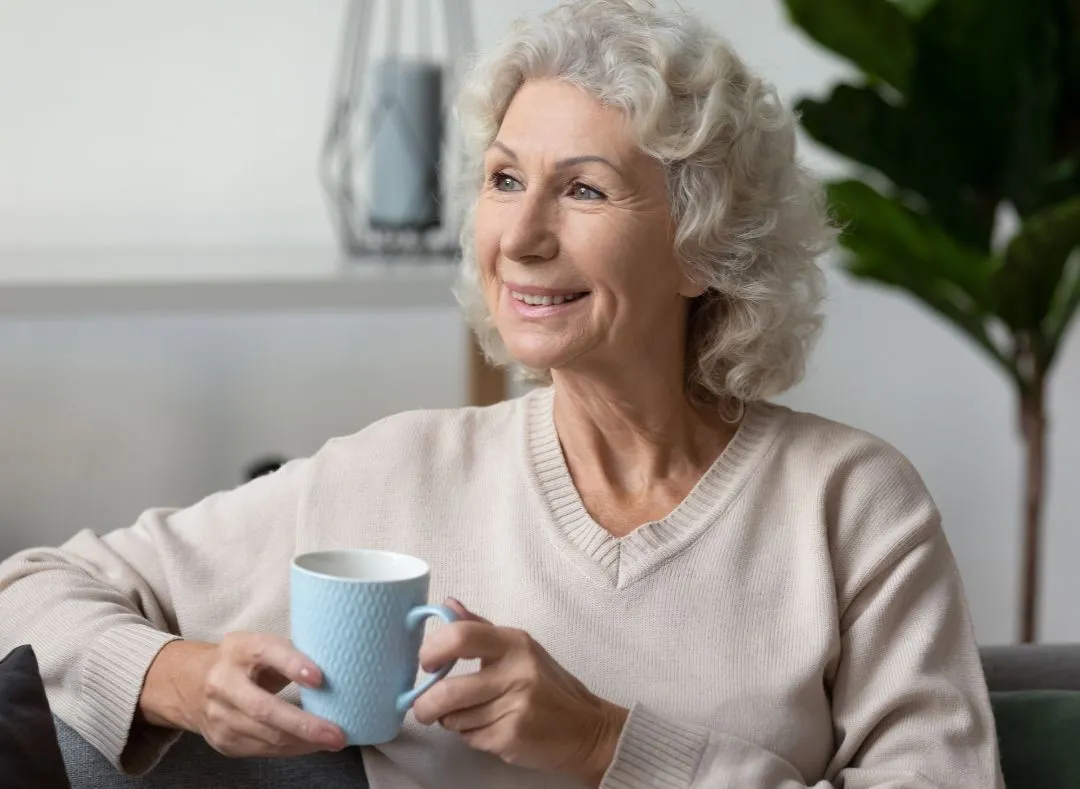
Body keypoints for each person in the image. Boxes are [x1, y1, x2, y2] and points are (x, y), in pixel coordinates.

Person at [0, 1, 1005, 787]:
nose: (519, 239)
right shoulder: (394, 475)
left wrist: (608, 744)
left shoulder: (851, 504)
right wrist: (177, 682)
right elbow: (29, 590)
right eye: (503, 179)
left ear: (707, 249)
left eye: (583, 189)